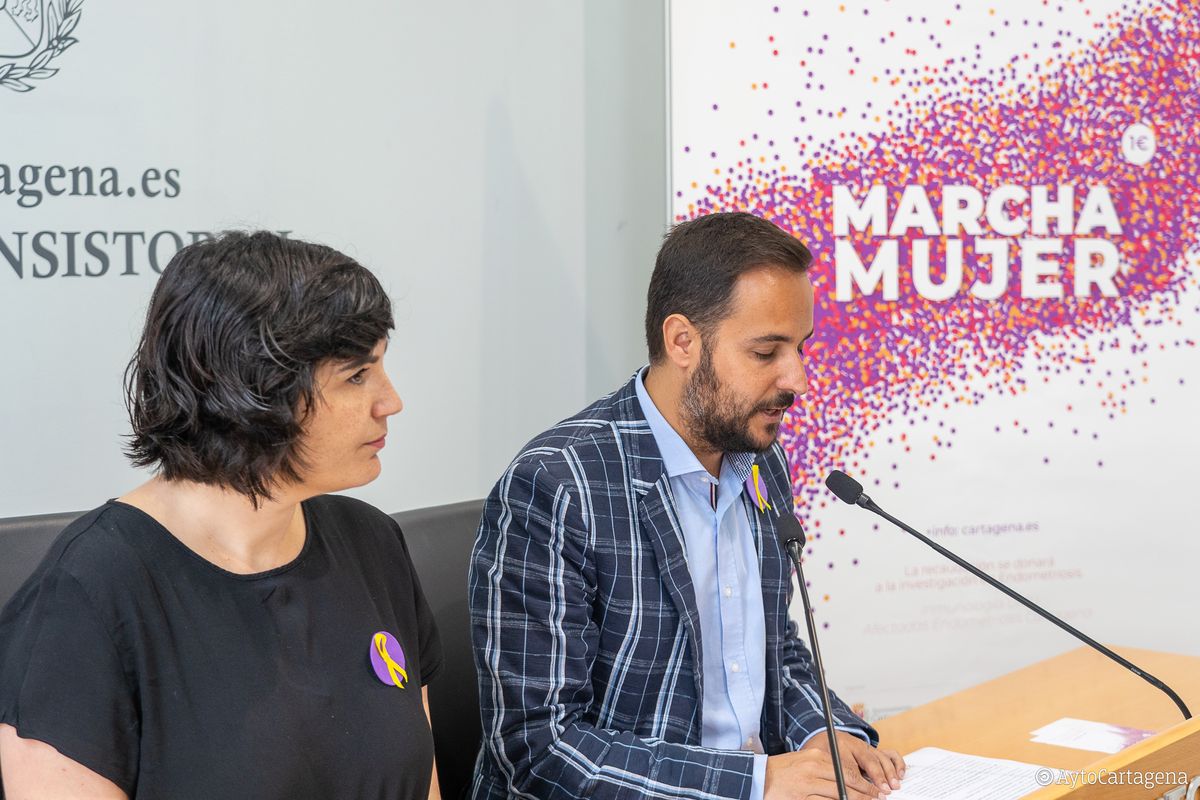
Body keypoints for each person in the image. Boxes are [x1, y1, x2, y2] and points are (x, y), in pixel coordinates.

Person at [468, 212, 905, 800]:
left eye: (799, 348)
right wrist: (755, 783)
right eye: (766, 352)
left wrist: (823, 734)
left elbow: (773, 653)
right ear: (682, 342)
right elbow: (540, 750)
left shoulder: (759, 462)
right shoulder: (557, 487)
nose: (797, 379)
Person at [0, 232, 443, 800]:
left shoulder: (371, 542)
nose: (391, 401)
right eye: (356, 375)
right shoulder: (86, 596)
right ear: (251, 392)